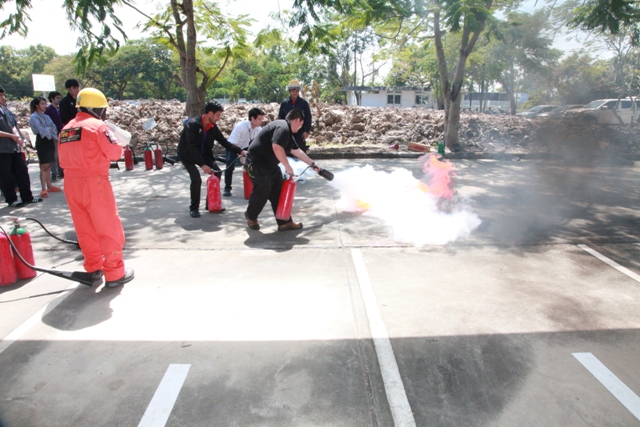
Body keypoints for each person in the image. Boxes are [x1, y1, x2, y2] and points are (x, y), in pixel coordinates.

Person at [58, 88, 134, 288]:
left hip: (71, 184)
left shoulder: (66, 129)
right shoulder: (98, 126)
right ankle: (115, 273)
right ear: (97, 109)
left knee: (85, 229)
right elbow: (115, 153)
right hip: (94, 183)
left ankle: (93, 268)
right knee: (108, 227)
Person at [244, 108, 321, 231]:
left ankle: (284, 222)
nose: (301, 127)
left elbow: (297, 151)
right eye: (301, 124)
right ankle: (251, 216)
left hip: (271, 165)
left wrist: (313, 164)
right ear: (297, 120)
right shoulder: (282, 127)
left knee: (279, 192)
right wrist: (287, 166)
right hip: (256, 163)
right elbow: (276, 146)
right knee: (264, 188)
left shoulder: (288, 133)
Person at [177, 100, 246, 218]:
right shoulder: (192, 125)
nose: (219, 118)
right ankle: (194, 208)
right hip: (187, 154)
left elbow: (224, 142)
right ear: (210, 113)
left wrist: (240, 151)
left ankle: (210, 204)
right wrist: (202, 165)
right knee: (196, 178)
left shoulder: (213, 127)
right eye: (217, 115)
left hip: (204, 154)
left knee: (217, 173)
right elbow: (192, 147)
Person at [0, 86, 43, 207]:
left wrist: (19, 137)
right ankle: (11, 199)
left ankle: (27, 197)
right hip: (2, 150)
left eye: (3, 95)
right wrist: (11, 136)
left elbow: (13, 125)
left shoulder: (6, 110)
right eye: (0, 95)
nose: (3, 97)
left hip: (14, 148)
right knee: (6, 175)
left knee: (22, 171)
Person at [223, 107, 265, 197]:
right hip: (233, 146)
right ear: (252, 118)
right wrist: (241, 155)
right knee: (229, 166)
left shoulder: (258, 129)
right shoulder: (240, 126)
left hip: (246, 148)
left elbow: (261, 144)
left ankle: (254, 187)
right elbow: (233, 143)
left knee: (254, 166)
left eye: (262, 119)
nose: (261, 121)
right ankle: (227, 187)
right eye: (259, 119)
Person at [29, 96, 62, 198]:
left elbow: (54, 128)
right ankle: (43, 188)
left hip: (50, 141)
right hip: (42, 141)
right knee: (43, 166)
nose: (45, 106)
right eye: (42, 104)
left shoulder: (46, 116)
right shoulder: (34, 117)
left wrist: (48, 129)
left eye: (45, 104)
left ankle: (49, 186)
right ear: (37, 105)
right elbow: (41, 130)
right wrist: (48, 129)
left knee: (48, 165)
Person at [278, 79, 312, 153]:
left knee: (300, 151)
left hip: (300, 132)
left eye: (297, 91)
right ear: (290, 91)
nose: (295, 93)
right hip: (287, 132)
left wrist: (306, 131)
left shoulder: (304, 103)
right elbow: (281, 118)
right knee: (287, 151)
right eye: (293, 91)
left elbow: (308, 117)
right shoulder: (284, 103)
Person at [45, 91, 63, 181]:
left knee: (61, 153)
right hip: (53, 134)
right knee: (54, 154)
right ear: (52, 99)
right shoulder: (48, 110)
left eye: (60, 98)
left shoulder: (60, 109)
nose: (59, 100)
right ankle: (54, 173)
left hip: (61, 133)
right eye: (57, 98)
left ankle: (61, 171)